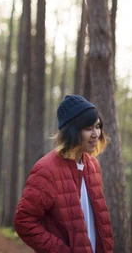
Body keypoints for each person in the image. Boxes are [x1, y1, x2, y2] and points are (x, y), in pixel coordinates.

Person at [14, 94, 114, 253]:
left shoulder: (93, 165)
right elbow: (24, 221)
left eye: (98, 126)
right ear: (72, 131)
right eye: (88, 128)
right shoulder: (46, 169)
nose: (96, 134)